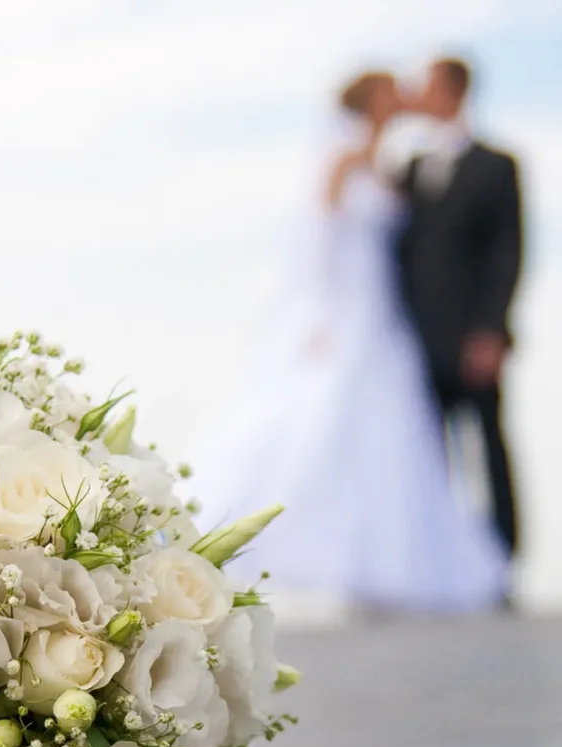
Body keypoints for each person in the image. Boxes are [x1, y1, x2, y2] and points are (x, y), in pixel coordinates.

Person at [186, 71, 508, 614]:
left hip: (388, 318)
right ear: (367, 103)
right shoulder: (342, 159)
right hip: (347, 312)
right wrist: (319, 315)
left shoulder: (392, 165)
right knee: (323, 427)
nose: (401, 97)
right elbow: (317, 241)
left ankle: (384, 565)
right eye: (390, 92)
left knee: (391, 439)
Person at [398, 57, 523, 564]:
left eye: (425, 84)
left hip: (473, 339)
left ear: (453, 90)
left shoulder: (497, 166)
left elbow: (508, 252)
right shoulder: (407, 170)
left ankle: (502, 557)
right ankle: (442, 563)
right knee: (427, 457)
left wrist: (491, 330)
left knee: (488, 447)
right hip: (415, 341)